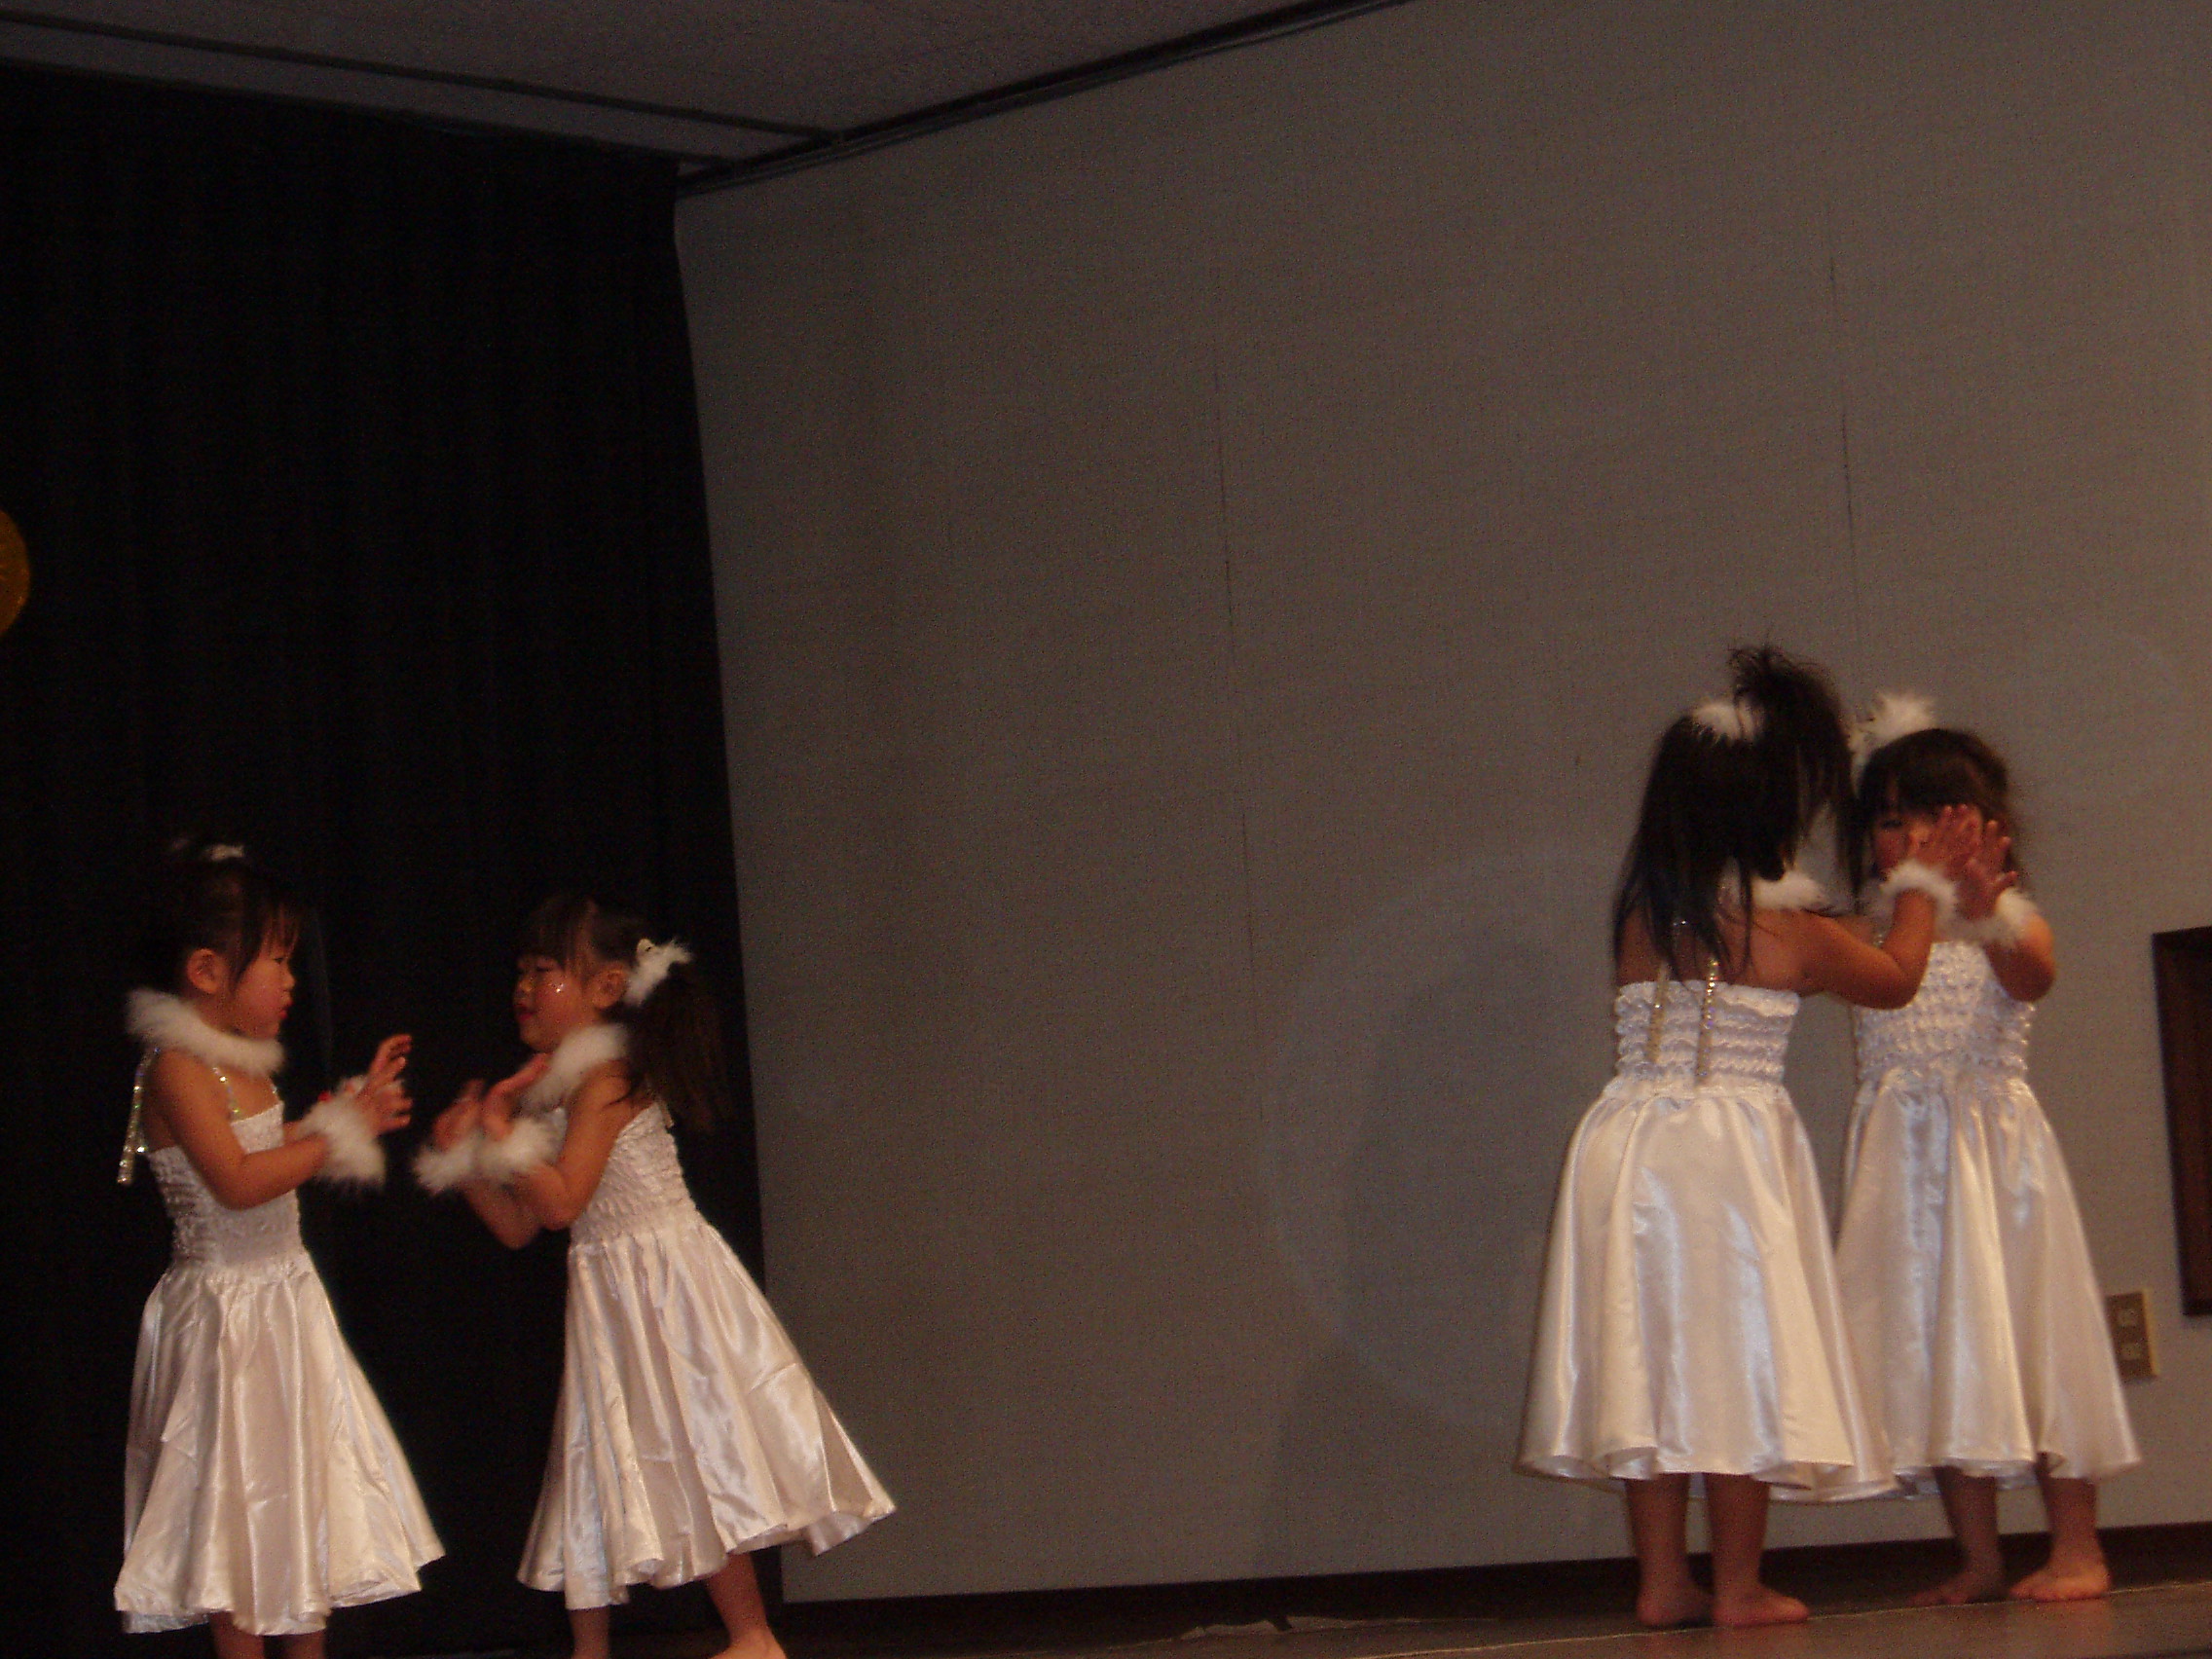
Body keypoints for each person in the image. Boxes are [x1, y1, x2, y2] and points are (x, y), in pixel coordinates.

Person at [1518, 647, 1979, 1628]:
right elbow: (1896, 978)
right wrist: (1919, 887)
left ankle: (1661, 1581)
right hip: (1723, 1155)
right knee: (1735, 1359)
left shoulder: (1646, 914)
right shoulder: (1792, 937)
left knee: (1650, 1362)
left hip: (1627, 1142)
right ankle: (1736, 1583)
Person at [421, 895, 893, 1659]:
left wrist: (503, 1135)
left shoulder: (607, 1078)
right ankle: (594, 1647)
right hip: (610, 1291)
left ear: (606, 987)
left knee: (695, 1445)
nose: (524, 986)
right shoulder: (560, 1089)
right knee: (594, 1451)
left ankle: (753, 1636)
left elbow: (562, 1201)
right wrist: (470, 1163)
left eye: (543, 970)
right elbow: (520, 1225)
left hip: (664, 1288)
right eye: (521, 971)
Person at [1834, 695, 2138, 1604]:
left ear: (1983, 831)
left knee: (2035, 1342)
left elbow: (2033, 974)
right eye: (1891, 821)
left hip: (1996, 1162)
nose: (1910, 839)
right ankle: (1979, 1557)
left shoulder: (2009, 919)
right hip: (1904, 1166)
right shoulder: (1869, 930)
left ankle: (2078, 1546)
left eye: (1933, 820)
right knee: (1939, 1348)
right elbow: (1847, 973)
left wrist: (1985, 907)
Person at [116, 840, 439, 1655]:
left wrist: (347, 1112)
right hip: (225, 1319)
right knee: (234, 1516)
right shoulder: (179, 1068)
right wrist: (337, 1134)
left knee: (299, 1498)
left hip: (284, 1302)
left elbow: (273, 1147)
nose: (292, 981)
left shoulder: (244, 1067)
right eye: (278, 960)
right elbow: (238, 1180)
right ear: (207, 971)